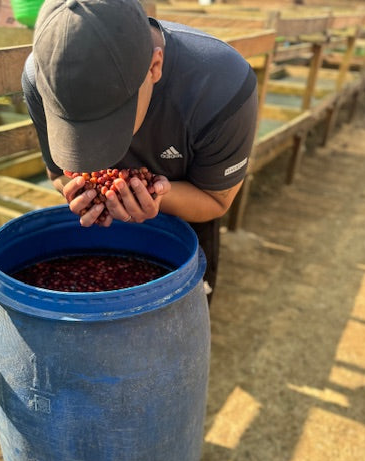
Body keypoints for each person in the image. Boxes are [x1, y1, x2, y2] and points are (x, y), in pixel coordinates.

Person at [22, 0, 258, 303]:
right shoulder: (37, 78)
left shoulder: (221, 88)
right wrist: (83, 192)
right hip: (100, 229)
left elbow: (216, 199)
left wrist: (158, 196)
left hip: (187, 227)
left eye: (110, 122)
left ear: (154, 67)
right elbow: (58, 174)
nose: (98, 155)